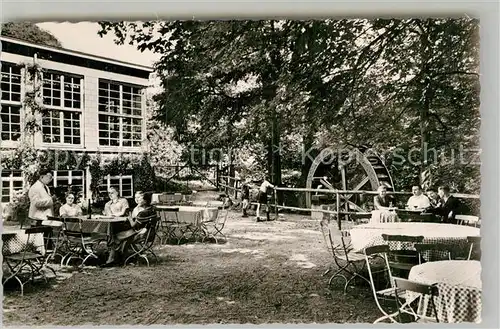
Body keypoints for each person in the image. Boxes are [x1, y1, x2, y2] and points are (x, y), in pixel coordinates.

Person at [104, 191, 156, 266]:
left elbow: (134, 226)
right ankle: (118, 257)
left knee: (116, 236)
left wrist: (130, 218)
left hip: (140, 233)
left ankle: (112, 259)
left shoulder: (143, 213)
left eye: (140, 199)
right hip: (149, 232)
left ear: (145, 201)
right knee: (120, 234)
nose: (138, 200)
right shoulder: (152, 209)